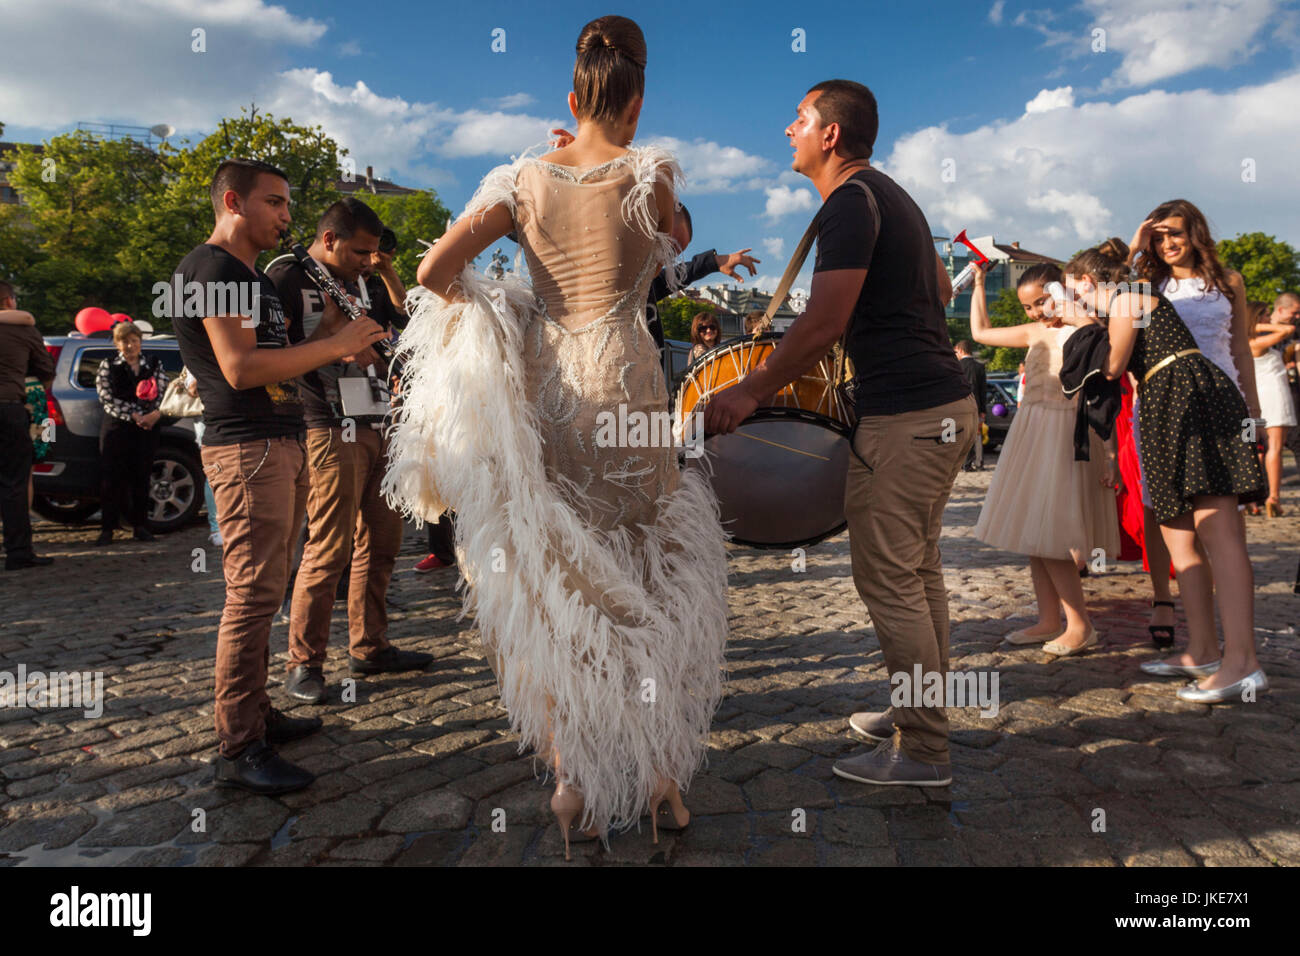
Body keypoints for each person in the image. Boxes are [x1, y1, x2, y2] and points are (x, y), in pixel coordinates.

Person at [385, 15, 728, 852]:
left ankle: (571, 782)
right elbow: (670, 250)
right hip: (633, 380)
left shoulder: (520, 179)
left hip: (555, 387)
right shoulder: (651, 176)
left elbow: (431, 275)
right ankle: (663, 785)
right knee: (648, 569)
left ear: (571, 97)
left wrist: (505, 311)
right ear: (638, 103)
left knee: (560, 576)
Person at [705, 78, 974, 787]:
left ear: (829, 134)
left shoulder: (850, 204)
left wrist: (749, 391)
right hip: (944, 406)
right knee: (918, 571)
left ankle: (922, 752)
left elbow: (823, 325)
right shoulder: (889, 195)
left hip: (905, 417)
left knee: (890, 577)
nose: (785, 130)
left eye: (797, 119)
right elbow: (943, 292)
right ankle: (918, 710)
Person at [171, 158, 389, 794]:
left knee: (268, 588)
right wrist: (334, 343)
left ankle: (259, 716)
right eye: (275, 203)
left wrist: (334, 330)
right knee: (252, 596)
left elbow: (281, 351)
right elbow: (240, 369)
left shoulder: (251, 278)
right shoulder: (210, 269)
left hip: (281, 442)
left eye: (289, 205)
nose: (287, 217)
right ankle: (239, 747)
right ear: (233, 202)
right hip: (247, 448)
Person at [1057, 239, 1267, 702]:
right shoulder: (1128, 298)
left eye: (1076, 293)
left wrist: (1079, 322)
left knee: (1218, 531)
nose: (1077, 303)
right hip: (1162, 404)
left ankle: (1243, 662)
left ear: (1088, 282)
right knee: (1179, 536)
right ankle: (1204, 651)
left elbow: (1111, 365)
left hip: (1189, 402)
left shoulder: (1129, 296)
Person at [267, 198, 433, 706]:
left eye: (374, 252)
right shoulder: (284, 276)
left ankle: (369, 645)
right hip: (326, 423)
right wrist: (334, 338)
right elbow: (271, 358)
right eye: (361, 251)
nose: (368, 260)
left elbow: (398, 325)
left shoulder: (364, 279)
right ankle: (304, 663)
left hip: (379, 418)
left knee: (381, 544)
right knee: (328, 549)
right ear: (330, 238)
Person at [1126, 200, 1258, 647]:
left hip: (1221, 404)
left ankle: (1232, 639)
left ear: (1196, 233)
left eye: (1175, 234)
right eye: (1158, 237)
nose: (1166, 244)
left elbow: (1240, 350)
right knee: (1173, 519)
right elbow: (1114, 321)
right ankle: (1193, 633)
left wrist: (1253, 414)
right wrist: (1133, 249)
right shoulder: (1146, 283)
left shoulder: (1228, 282)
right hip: (1163, 407)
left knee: (1223, 529)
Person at [970, 264, 1120, 655]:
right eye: (1028, 307)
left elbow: (1103, 397)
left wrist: (1110, 455)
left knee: (1053, 534)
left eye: (1041, 300)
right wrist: (980, 283)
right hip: (1032, 431)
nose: (1036, 312)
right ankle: (1048, 619)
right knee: (1036, 536)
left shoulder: (1086, 328)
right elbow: (980, 332)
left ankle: (1080, 625)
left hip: (1066, 435)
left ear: (1059, 289)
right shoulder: (1034, 332)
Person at [94, 321, 167, 546]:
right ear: (118, 343)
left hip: (146, 429)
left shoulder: (153, 364)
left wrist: (153, 415)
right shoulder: (108, 365)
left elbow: (164, 392)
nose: (130, 345)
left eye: (134, 341)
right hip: (117, 428)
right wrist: (133, 415)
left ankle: (141, 526)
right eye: (124, 341)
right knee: (111, 479)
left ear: (140, 342)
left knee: (141, 477)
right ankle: (108, 528)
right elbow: (106, 397)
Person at [0, 281, 55, 571]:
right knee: (14, 483)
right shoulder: (22, 329)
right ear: (9, 300)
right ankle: (18, 551)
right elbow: (46, 369)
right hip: (9, 408)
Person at [1247, 297, 1296, 515]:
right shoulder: (1256, 342)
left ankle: (1251, 499)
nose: (1269, 318)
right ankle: (1273, 497)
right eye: (1265, 315)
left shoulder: (1242, 342)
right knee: (1275, 447)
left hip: (1251, 401)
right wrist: (1270, 323)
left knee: (1253, 448)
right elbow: (1288, 331)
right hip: (1274, 397)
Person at [954, 340, 986, 470]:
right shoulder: (979, 367)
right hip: (976, 406)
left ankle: (962, 463)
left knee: (959, 435)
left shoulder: (955, 366)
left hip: (958, 406)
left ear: (960, 350)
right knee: (976, 435)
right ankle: (978, 462)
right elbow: (983, 390)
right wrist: (983, 410)